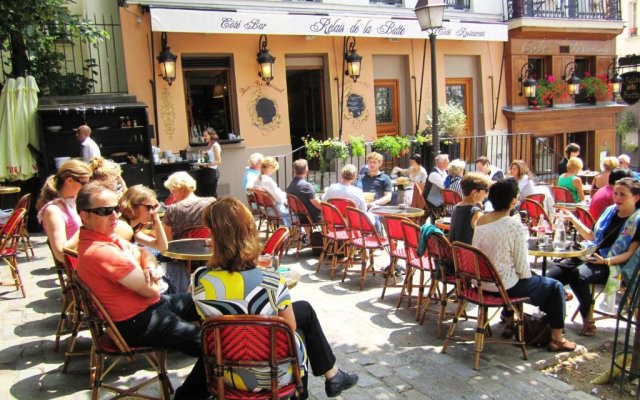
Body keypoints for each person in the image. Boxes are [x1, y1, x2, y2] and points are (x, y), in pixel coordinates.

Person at [192, 197, 359, 398]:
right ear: (249, 233)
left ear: (213, 236)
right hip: (273, 375)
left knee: (302, 311)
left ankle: (333, 377)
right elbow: (290, 328)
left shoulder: (200, 280)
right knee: (298, 334)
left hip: (226, 374)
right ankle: (321, 382)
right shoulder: (272, 281)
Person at [75, 182, 207, 400]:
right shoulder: (99, 251)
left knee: (204, 301)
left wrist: (148, 267)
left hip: (149, 308)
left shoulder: (110, 238)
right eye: (105, 211)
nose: (114, 215)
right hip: (137, 321)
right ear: (85, 216)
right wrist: (152, 277)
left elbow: (147, 253)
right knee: (212, 347)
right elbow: (151, 291)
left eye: (116, 209)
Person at [473, 178, 577, 352]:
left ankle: (509, 319)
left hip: (481, 282)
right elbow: (523, 270)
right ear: (513, 200)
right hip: (504, 285)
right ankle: (557, 338)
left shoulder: (481, 221)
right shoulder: (514, 225)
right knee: (556, 287)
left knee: (541, 281)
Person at [548, 177, 640, 337]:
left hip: (613, 264)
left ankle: (587, 318)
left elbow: (629, 254)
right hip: (590, 254)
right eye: (616, 193)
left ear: (636, 198)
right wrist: (573, 220)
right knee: (550, 278)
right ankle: (552, 316)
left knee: (577, 275)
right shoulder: (610, 212)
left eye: (622, 195)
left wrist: (605, 261)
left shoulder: (637, 220)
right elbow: (591, 236)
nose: (617, 198)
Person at [36, 159, 91, 263]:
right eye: (84, 183)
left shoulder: (76, 201)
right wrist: (86, 228)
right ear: (69, 181)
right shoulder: (54, 210)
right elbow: (61, 253)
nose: (87, 187)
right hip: (81, 264)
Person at [162, 171, 216, 241]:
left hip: (182, 250)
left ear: (182, 189)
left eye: (173, 191)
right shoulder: (211, 202)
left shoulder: (172, 209)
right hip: (209, 248)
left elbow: (167, 241)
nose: (172, 195)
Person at [117, 185, 167, 252]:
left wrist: (156, 217)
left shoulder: (132, 228)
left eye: (154, 207)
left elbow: (162, 247)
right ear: (132, 205)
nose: (152, 212)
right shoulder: (122, 227)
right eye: (148, 207)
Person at [449, 172, 490, 245]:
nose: (487, 194)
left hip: (455, 252)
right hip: (467, 254)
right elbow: (486, 235)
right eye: (486, 190)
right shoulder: (476, 213)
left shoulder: (457, 206)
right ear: (474, 192)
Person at [254, 156, 291, 227]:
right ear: (270, 168)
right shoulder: (268, 181)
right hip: (273, 210)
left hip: (264, 210)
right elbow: (279, 199)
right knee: (296, 213)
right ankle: (295, 234)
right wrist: (285, 195)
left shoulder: (256, 180)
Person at [199, 127, 222, 197]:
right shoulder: (210, 145)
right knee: (207, 194)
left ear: (211, 135)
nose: (204, 137)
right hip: (208, 171)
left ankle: (215, 207)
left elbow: (218, 161)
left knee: (211, 194)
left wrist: (207, 165)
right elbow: (209, 159)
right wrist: (203, 155)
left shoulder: (215, 145)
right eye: (204, 136)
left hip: (212, 172)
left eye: (206, 135)